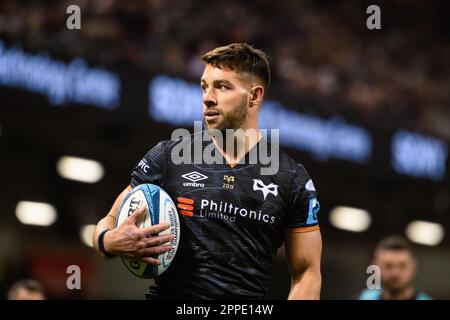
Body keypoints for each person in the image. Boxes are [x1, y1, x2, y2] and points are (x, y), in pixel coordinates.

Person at [92, 43, 322, 299]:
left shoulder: (290, 177)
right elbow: (108, 222)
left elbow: (307, 272)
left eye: (222, 86)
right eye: (204, 86)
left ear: (254, 96)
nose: (207, 97)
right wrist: (109, 241)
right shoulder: (168, 157)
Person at [359, 236, 432, 300]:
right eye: (388, 266)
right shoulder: (364, 298)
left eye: (402, 266)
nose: (395, 273)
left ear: (413, 266)